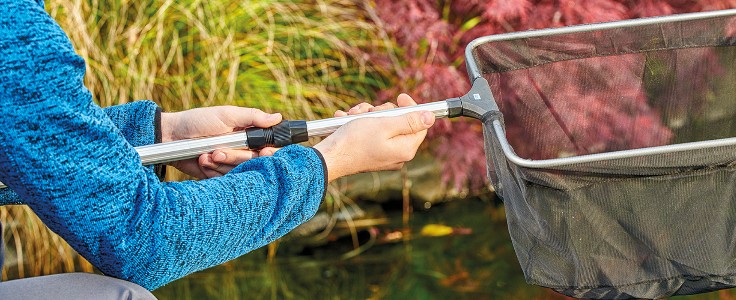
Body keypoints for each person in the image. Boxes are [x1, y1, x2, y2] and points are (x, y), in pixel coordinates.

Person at [0, 0, 436, 299]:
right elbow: (144, 239)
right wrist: (330, 162)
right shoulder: (14, 31)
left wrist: (163, 135)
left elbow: (24, 137)